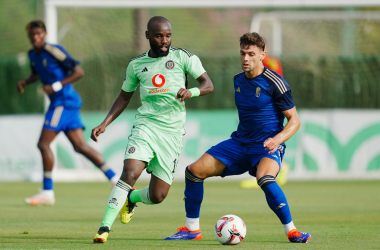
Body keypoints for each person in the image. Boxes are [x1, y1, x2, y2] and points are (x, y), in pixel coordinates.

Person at [165, 32, 311, 243]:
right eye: (242, 53)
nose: (245, 58)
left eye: (251, 54)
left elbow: (295, 120)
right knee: (194, 171)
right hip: (240, 143)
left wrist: (277, 140)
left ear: (262, 55)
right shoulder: (238, 79)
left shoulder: (275, 82)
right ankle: (192, 229)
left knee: (265, 178)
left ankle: (292, 231)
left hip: (265, 147)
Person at [91, 16, 214, 243]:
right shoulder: (136, 65)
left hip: (172, 133)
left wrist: (190, 92)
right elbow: (124, 97)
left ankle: (131, 199)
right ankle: (104, 228)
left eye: (168, 35)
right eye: (159, 36)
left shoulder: (183, 57)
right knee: (129, 173)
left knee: (158, 196)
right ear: (148, 36)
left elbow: (208, 84)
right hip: (146, 126)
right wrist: (104, 123)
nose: (164, 40)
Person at [17, 20, 118, 206]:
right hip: (65, 104)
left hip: (62, 102)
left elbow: (79, 72)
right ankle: (115, 179)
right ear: (29, 36)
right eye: (32, 35)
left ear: (45, 34)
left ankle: (47, 192)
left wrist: (55, 86)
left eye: (39, 34)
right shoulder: (33, 55)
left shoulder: (54, 50)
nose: (36, 37)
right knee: (80, 146)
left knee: (43, 144)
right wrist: (25, 81)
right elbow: (37, 74)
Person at [239, 53, 288, 189]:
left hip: (269, 105)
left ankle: (267, 172)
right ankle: (274, 170)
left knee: (265, 138)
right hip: (255, 104)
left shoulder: (271, 62)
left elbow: (275, 79)